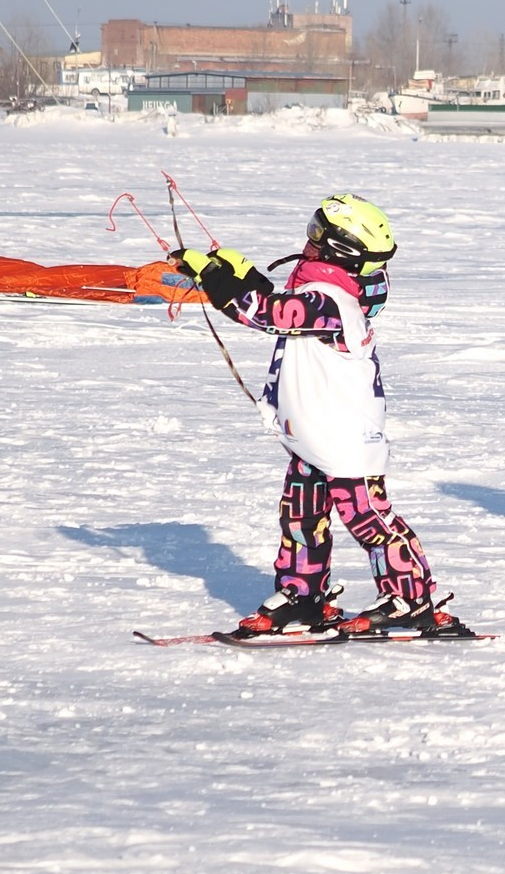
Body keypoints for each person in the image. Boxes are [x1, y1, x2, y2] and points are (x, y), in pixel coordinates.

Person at [178, 195, 462, 639]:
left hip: (347, 441)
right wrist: (243, 274)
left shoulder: (333, 303)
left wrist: (217, 282)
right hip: (311, 436)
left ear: (340, 250)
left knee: (368, 518)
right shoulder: (327, 291)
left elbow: (267, 313)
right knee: (301, 518)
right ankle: (304, 595)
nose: (306, 241)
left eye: (316, 234)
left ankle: (412, 599)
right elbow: (283, 303)